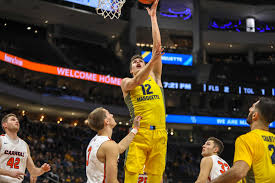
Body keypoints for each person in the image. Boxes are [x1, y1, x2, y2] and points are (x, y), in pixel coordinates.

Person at [120, 0, 167, 182]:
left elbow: (157, 48)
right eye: (135, 62)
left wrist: (153, 17)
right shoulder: (126, 82)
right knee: (131, 175)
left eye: (141, 60)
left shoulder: (155, 78)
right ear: (131, 69)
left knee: (156, 177)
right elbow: (138, 80)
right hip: (139, 134)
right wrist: (151, 61)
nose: (138, 61)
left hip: (160, 134)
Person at [211, 97, 275, 183]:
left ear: (254, 115)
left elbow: (238, 172)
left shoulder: (246, 139)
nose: (249, 109)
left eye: (252, 107)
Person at [85, 107, 141, 183]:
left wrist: (135, 129)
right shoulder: (109, 145)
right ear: (106, 121)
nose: (112, 115)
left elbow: (119, 148)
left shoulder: (95, 139)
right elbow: (111, 181)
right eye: (108, 114)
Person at [0, 113, 51, 183]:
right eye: (13, 120)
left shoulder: (24, 145)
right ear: (5, 125)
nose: (17, 121)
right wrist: (9, 173)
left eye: (17, 120)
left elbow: (33, 171)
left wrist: (42, 170)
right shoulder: (1, 140)